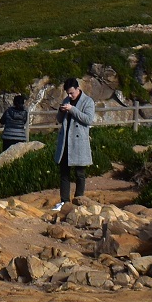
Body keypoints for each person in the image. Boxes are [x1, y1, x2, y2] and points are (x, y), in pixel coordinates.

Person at [52, 77, 96, 210]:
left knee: (80, 173)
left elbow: (88, 119)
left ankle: (78, 200)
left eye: (72, 93)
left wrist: (72, 109)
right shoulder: (66, 100)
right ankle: (64, 201)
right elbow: (59, 120)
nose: (70, 96)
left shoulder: (88, 101)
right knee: (64, 173)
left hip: (79, 142)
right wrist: (61, 111)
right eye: (68, 93)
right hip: (66, 141)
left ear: (78, 89)